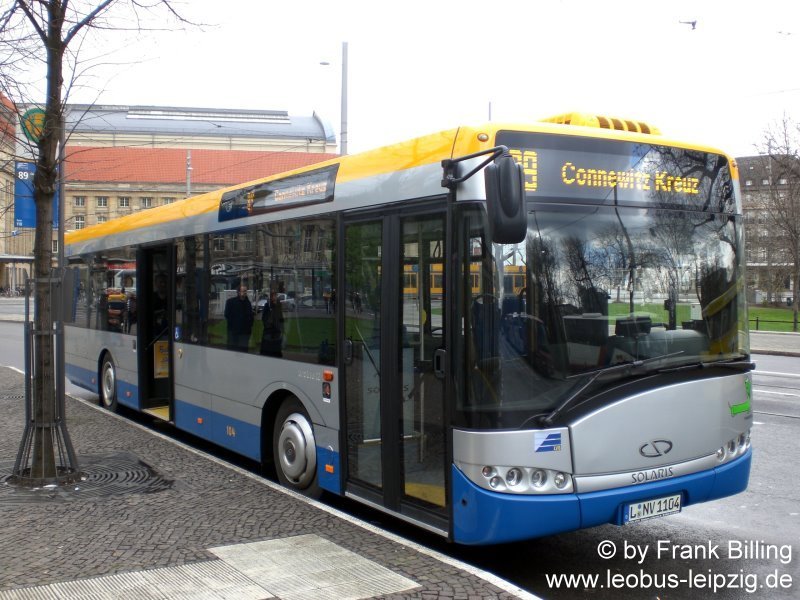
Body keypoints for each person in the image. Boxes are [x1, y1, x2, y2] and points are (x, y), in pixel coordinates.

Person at [224, 285, 254, 351]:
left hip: (245, 333)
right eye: (243, 291)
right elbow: (227, 315)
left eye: (245, 291)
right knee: (233, 351)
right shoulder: (231, 302)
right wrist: (234, 325)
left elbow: (250, 316)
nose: (244, 292)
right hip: (234, 332)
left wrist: (250, 326)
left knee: (243, 351)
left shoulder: (248, 303)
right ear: (238, 292)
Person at [260, 290, 284, 357]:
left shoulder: (278, 305)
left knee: (276, 349)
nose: (274, 297)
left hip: (277, 331)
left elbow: (280, 318)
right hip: (269, 331)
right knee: (268, 348)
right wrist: (268, 325)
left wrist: (281, 328)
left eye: (275, 295)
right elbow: (264, 318)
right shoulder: (267, 305)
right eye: (273, 296)